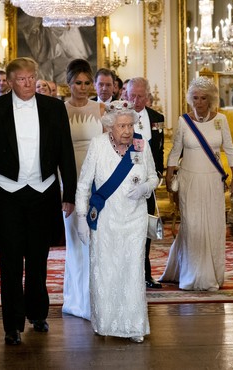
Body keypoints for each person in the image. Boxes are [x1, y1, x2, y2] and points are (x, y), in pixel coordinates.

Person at [0, 57, 77, 345]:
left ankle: (38, 313)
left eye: (32, 78)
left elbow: (65, 153)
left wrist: (69, 194)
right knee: (10, 261)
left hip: (43, 192)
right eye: (22, 79)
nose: (29, 83)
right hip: (6, 193)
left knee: (38, 258)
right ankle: (12, 324)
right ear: (9, 82)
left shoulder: (54, 108)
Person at [75, 100, 158, 343]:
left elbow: (154, 177)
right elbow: (83, 184)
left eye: (130, 125)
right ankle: (106, 323)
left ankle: (134, 326)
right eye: (122, 126)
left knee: (133, 269)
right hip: (106, 218)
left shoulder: (141, 144)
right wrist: (81, 217)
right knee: (107, 269)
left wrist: (145, 186)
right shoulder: (98, 145)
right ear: (110, 126)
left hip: (135, 217)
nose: (127, 131)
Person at [161, 76, 233, 291]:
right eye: (195, 97)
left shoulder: (220, 120)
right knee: (192, 225)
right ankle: (189, 274)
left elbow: (230, 150)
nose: (198, 102)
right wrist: (169, 178)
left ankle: (212, 275)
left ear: (211, 99)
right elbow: (175, 151)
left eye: (203, 98)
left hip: (213, 180)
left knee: (213, 226)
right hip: (189, 179)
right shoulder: (183, 121)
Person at [61, 59, 105, 320]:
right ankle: (76, 300)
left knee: (96, 240)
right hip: (69, 181)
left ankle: (96, 298)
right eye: (78, 82)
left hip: (97, 182)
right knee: (75, 241)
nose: (84, 87)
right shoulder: (59, 110)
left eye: (88, 82)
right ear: (68, 84)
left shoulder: (101, 109)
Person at [126, 77, 165, 289]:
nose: (136, 99)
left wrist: (157, 174)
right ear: (126, 94)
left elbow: (159, 150)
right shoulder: (120, 116)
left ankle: (146, 273)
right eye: (132, 95)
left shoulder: (157, 118)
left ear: (147, 96)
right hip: (124, 183)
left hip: (148, 183)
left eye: (141, 96)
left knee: (146, 228)